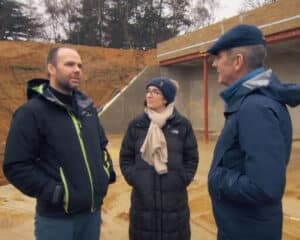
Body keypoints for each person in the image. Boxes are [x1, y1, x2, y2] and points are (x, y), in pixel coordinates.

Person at [3, 47, 115, 240]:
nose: (77, 69)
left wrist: (105, 174)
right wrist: (56, 193)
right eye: (69, 64)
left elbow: (101, 146)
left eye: (79, 65)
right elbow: (16, 165)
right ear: (51, 69)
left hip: (92, 215)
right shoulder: (31, 112)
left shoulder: (88, 110)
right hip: (56, 221)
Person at [207, 24, 299, 240]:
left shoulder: (255, 108)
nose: (214, 64)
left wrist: (217, 178)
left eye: (218, 57)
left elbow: (266, 187)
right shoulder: (250, 103)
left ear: (237, 61)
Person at [119, 77, 199, 240]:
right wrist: (135, 178)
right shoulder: (137, 125)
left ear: (167, 98)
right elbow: (125, 157)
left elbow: (192, 158)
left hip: (174, 205)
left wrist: (182, 178)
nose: (149, 95)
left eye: (155, 92)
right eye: (148, 91)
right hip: (143, 204)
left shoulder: (182, 125)